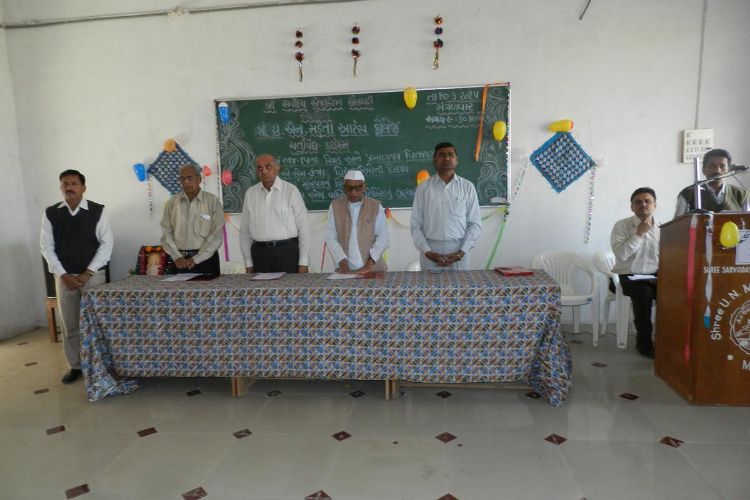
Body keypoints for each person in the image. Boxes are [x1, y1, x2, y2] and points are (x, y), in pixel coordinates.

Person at [40, 170, 113, 384]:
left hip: (93, 277)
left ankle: (102, 365)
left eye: (73, 183)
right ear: (61, 187)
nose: (69, 187)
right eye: (65, 184)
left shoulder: (97, 211)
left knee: (97, 323)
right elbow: (46, 247)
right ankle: (75, 366)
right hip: (64, 278)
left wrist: (86, 274)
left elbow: (107, 244)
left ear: (83, 187)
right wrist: (63, 275)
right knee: (70, 324)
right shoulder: (51, 213)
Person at [411, 142, 481, 271]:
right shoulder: (423, 188)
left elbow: (475, 224)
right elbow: (416, 226)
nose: (447, 158)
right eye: (442, 155)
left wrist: (461, 252)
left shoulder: (467, 187)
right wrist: (428, 252)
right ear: (434, 160)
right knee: (430, 285)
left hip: (459, 251)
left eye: (450, 154)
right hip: (430, 252)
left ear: (456, 160)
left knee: (461, 285)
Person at [239, 154, 310, 273]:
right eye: (260, 168)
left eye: (268, 167)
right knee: (260, 286)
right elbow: (244, 231)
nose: (264, 171)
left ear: (277, 168)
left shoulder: (291, 191)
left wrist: (303, 261)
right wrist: (248, 261)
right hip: (260, 255)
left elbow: (304, 228)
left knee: (290, 286)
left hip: (287, 253)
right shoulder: (250, 194)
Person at [611, 187, 660, 359]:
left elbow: (666, 256)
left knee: (674, 292)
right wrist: (639, 233)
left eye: (647, 201)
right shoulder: (621, 226)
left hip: (655, 275)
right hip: (629, 276)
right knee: (643, 294)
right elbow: (621, 254)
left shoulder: (662, 228)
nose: (643, 205)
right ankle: (644, 344)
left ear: (655, 205)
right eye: (638, 202)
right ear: (632, 207)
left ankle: (669, 340)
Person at [160, 164, 224, 275]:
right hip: (179, 261)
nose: (186, 182)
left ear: (199, 179)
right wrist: (176, 256)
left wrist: (197, 258)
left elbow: (216, 234)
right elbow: (166, 233)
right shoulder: (172, 203)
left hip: (206, 260)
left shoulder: (212, 201)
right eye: (182, 179)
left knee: (209, 287)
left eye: (190, 178)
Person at [325, 170, 390, 273]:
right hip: (345, 269)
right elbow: (330, 237)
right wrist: (341, 260)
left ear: (364, 187)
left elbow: (383, 238)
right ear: (344, 188)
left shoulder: (375, 206)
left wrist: (369, 264)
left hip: (372, 269)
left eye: (357, 187)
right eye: (349, 188)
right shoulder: (335, 206)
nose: (353, 192)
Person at [675, 148, 750, 216]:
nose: (717, 170)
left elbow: (747, 222)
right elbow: (677, 224)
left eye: (722, 166)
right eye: (712, 166)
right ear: (704, 170)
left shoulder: (741, 194)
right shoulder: (687, 194)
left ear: (728, 170)